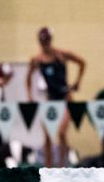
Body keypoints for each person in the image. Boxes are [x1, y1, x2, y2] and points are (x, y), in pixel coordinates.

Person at [27, 27, 84, 167]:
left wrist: (77, 83)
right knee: (47, 135)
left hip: (66, 99)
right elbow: (28, 78)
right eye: (42, 41)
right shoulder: (36, 60)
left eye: (46, 41)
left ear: (50, 40)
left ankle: (62, 167)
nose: (44, 44)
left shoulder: (62, 55)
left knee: (62, 133)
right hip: (50, 100)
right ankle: (48, 169)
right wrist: (30, 96)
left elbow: (82, 63)